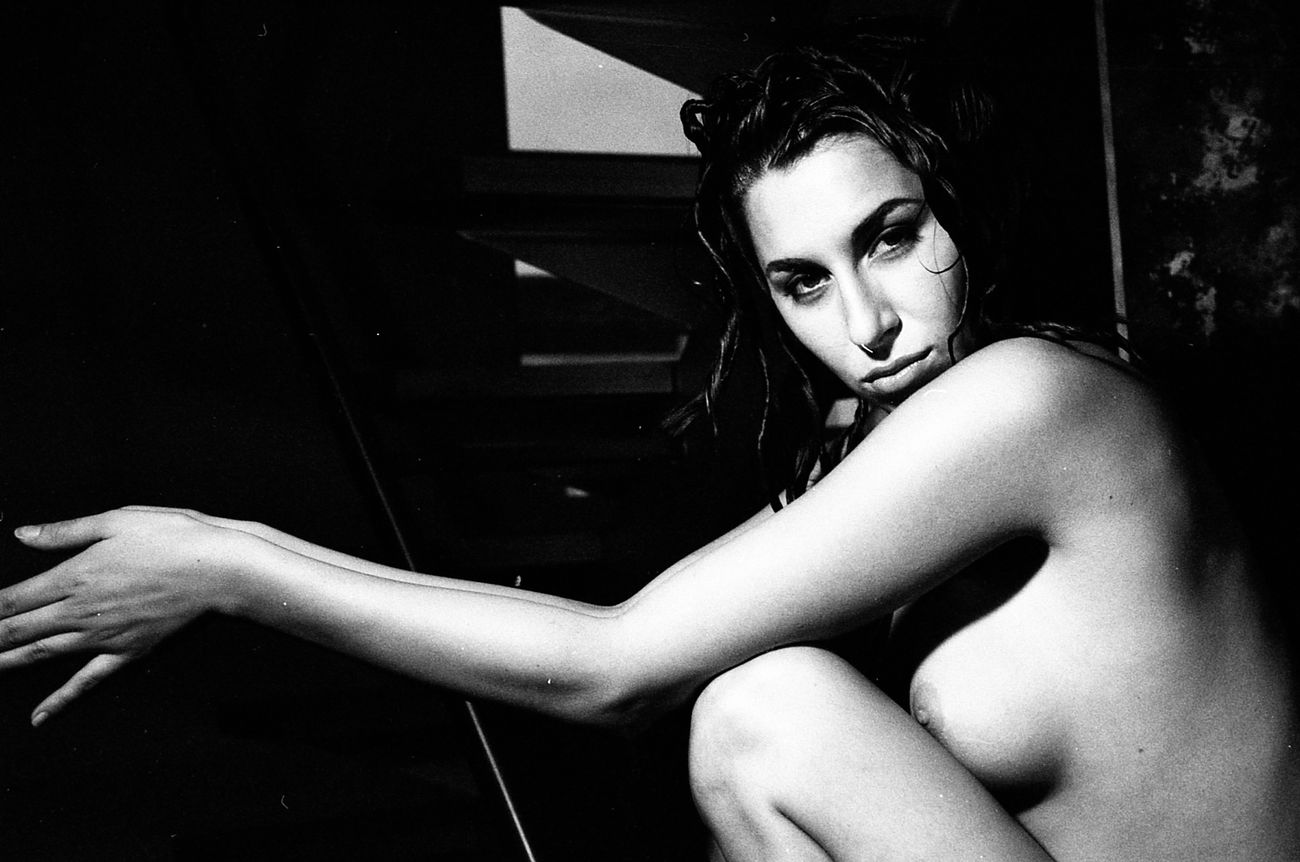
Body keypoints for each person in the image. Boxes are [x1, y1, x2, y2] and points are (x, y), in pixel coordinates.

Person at [2, 36, 1297, 861]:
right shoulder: (884, 445)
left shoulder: (1036, 403)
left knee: (763, 713)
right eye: (802, 281)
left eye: (893, 236)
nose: (865, 323)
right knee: (750, 719)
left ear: (959, 211)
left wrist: (230, 564)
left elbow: (611, 667)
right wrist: (227, 551)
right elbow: (617, 632)